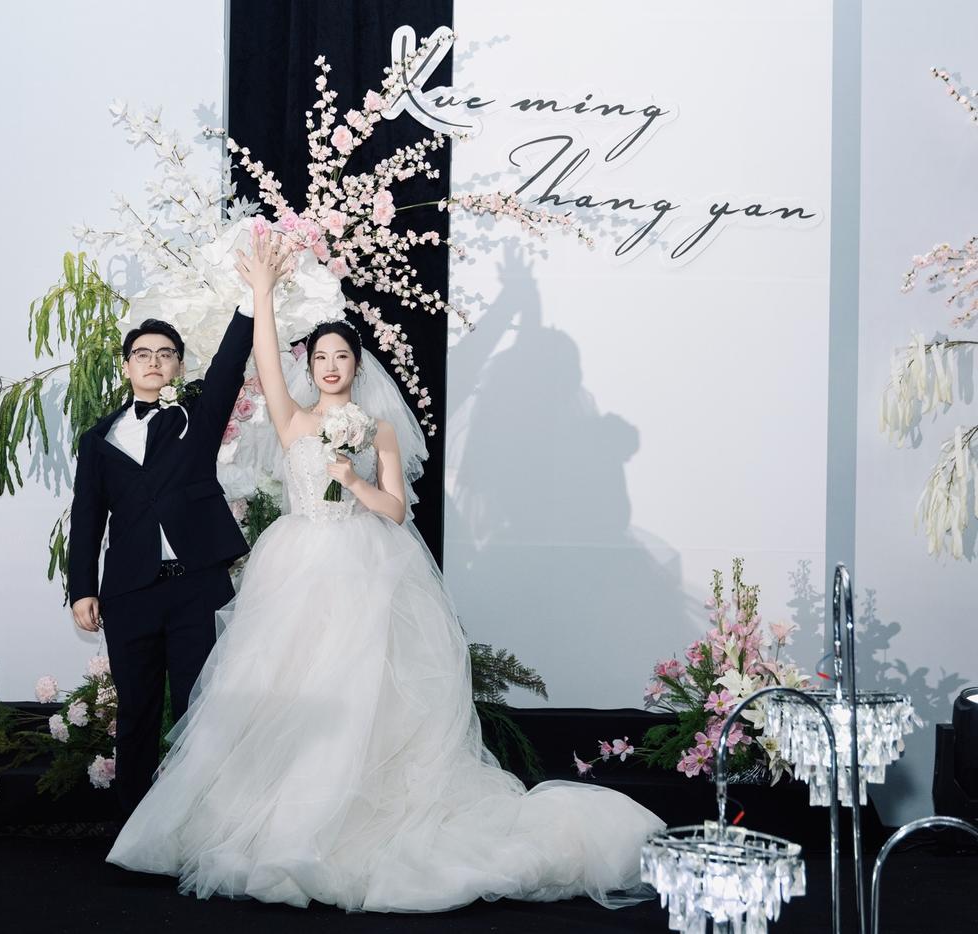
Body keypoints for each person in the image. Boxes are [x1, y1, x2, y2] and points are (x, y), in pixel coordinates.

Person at [106, 229, 665, 912]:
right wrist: (262, 292)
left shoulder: (379, 429)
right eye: (320, 356)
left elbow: (396, 511)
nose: (330, 365)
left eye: (341, 356)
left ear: (357, 365)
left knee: (360, 697)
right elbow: (263, 361)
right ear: (310, 365)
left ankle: (346, 819)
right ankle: (265, 821)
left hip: (362, 563)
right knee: (282, 696)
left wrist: (352, 480)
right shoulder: (291, 420)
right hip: (294, 566)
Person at [67, 308, 252, 817]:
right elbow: (87, 517)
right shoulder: (98, 439)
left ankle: (201, 824)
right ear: (126, 365)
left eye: (165, 354)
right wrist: (82, 588)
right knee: (136, 714)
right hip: (130, 594)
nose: (153, 361)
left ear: (178, 366)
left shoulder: (196, 417)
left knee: (202, 710)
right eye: (143, 354)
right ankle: (135, 830)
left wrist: (251, 305)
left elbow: (229, 365)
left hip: (198, 588)